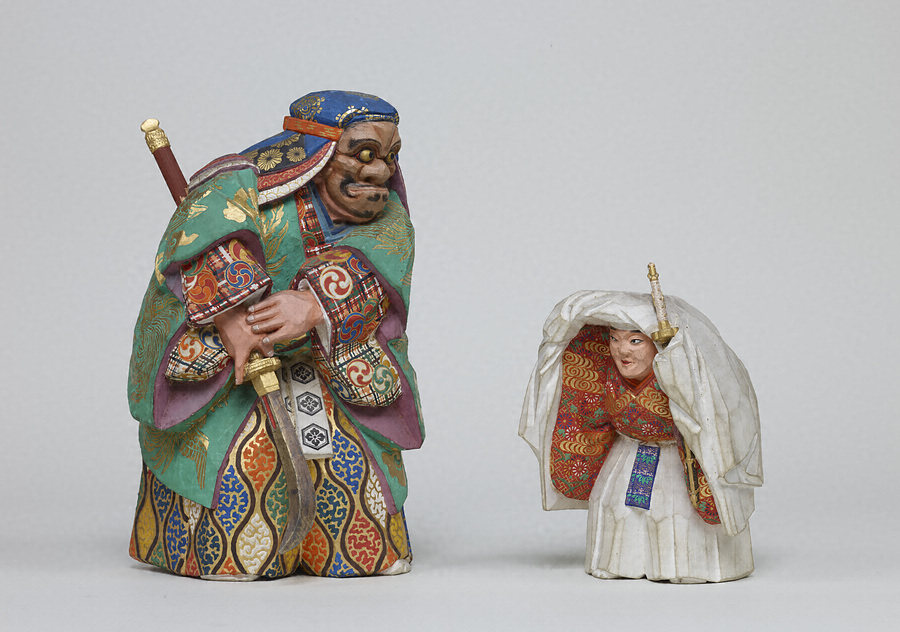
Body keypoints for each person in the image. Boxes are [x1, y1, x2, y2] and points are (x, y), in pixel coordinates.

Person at [127, 91, 424, 580]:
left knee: (352, 474)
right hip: (239, 373)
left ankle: (342, 550)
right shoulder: (238, 192)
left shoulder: (389, 217)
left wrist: (314, 304)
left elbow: (383, 266)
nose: (380, 172)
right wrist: (229, 317)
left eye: (391, 156)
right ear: (318, 152)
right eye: (364, 153)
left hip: (331, 366)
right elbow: (193, 249)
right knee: (242, 465)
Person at [519, 290, 762, 583]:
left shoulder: (682, 374)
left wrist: (678, 373)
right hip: (626, 453)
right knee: (618, 510)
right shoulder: (607, 373)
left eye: (635, 341)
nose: (622, 350)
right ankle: (620, 562)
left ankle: (689, 566)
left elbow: (712, 415)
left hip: (677, 457)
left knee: (677, 514)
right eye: (614, 339)